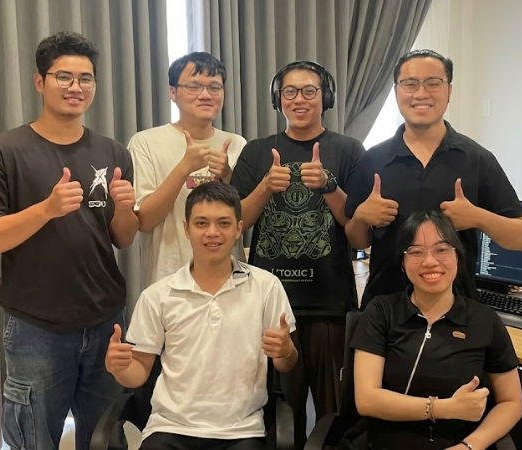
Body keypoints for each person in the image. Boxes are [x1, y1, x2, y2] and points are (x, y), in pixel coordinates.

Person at [0, 32, 139, 449]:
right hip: (36, 327)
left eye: (86, 78)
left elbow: (122, 238)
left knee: (106, 437)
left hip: (106, 320)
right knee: (34, 440)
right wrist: (45, 209)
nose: (76, 87)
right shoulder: (1, 152)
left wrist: (124, 208)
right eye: (64, 76)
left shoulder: (113, 152)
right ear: (39, 82)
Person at [231, 60, 365, 448]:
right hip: (268, 306)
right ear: (278, 99)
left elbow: (359, 231)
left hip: (330, 305)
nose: (299, 99)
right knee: (277, 418)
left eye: (309, 91)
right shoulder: (257, 151)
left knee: (333, 417)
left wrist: (328, 185)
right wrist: (264, 188)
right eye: (290, 91)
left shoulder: (348, 150)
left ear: (326, 97)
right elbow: (235, 223)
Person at [105, 182, 298, 450]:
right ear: (187, 229)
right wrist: (120, 368)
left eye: (223, 223)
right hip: (170, 427)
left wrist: (286, 351)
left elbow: (286, 363)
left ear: (239, 228)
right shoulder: (158, 295)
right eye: (201, 223)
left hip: (240, 431)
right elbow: (138, 374)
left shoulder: (266, 287)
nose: (212, 232)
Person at [344, 49, 522, 306]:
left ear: (449, 91)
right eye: (410, 84)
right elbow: (357, 240)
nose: (421, 93)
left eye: (433, 83)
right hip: (384, 309)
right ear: (397, 91)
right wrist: (361, 217)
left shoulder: (477, 159)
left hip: (456, 311)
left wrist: (477, 217)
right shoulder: (372, 160)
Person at [351, 210, 522, 450]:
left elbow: (511, 402)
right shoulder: (381, 311)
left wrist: (471, 445)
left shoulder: (484, 320)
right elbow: (367, 400)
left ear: (458, 257)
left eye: (441, 249)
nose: (430, 261)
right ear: (402, 264)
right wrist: (445, 408)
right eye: (416, 252)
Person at [128, 52, 247, 292]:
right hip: (168, 281)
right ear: (172, 92)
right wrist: (184, 167)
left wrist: (228, 176)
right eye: (194, 87)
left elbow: (244, 218)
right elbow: (145, 221)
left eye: (214, 87)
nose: (205, 95)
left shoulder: (237, 144)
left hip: (229, 283)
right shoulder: (146, 142)